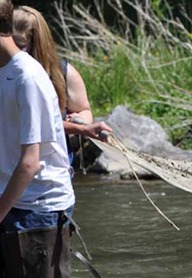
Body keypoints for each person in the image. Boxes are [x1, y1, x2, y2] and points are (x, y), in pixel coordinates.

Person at [0, 0, 75, 276]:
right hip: (11, 204)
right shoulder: (3, 71)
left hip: (37, 211)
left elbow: (30, 163)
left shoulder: (27, 77)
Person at [12, 5, 112, 165]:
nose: (13, 52)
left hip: (54, 163)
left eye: (21, 46)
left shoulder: (64, 73)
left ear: (37, 44)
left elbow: (84, 109)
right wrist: (81, 129)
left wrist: (80, 119)